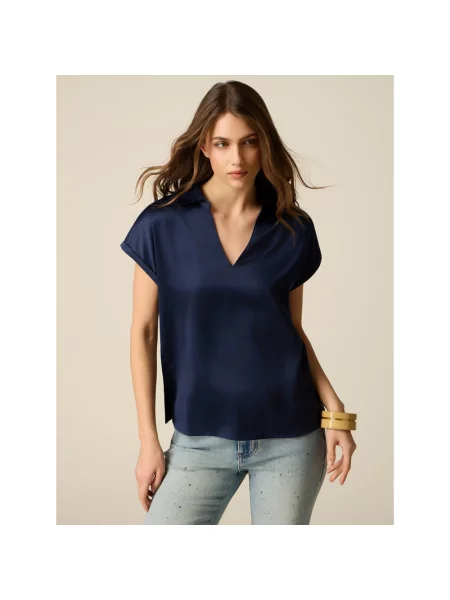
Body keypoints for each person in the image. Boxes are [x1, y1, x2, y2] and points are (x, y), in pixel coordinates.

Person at [120, 80, 357, 525]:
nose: (238, 158)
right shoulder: (162, 225)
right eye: (223, 143)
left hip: (291, 438)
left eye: (249, 142)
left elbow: (291, 330)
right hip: (199, 440)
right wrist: (148, 439)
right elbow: (144, 331)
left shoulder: (292, 228)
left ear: (264, 144)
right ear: (204, 147)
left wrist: (334, 410)